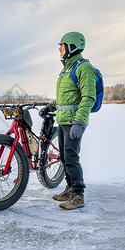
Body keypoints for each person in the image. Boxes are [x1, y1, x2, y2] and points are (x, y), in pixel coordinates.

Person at [40, 31, 96, 210]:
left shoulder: (83, 67)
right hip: (64, 120)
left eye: (62, 45)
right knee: (64, 156)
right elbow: (67, 98)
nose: (59, 48)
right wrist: (51, 105)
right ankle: (70, 188)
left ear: (71, 46)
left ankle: (78, 195)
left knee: (71, 157)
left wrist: (80, 122)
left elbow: (88, 97)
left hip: (74, 121)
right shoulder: (66, 69)